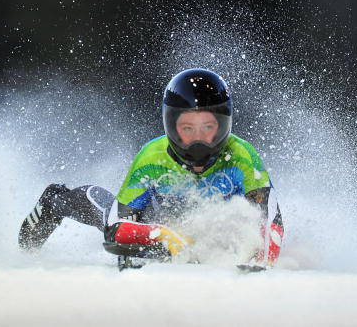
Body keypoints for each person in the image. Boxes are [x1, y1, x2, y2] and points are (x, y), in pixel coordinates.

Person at [18, 68, 284, 267]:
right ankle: (56, 199)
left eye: (208, 127)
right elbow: (116, 228)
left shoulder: (242, 156)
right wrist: (165, 237)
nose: (198, 140)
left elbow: (271, 221)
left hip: (209, 230)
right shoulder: (152, 157)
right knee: (105, 214)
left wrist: (261, 259)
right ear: (171, 125)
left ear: (224, 124)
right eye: (187, 128)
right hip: (154, 223)